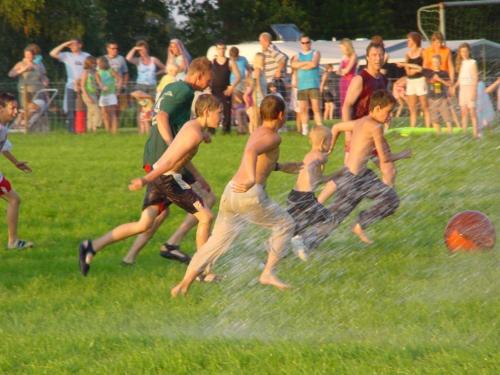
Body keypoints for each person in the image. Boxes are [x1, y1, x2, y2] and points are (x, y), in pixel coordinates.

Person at [170, 95, 302, 297]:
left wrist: (281, 167)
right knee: (285, 224)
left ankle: (184, 284)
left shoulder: (258, 131)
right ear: (282, 115)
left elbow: (259, 158)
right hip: (249, 194)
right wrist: (250, 179)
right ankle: (268, 272)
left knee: (215, 243)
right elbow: (251, 151)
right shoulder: (275, 136)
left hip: (231, 192)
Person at [78, 94, 220, 276]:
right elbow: (170, 162)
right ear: (207, 112)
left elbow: (181, 156)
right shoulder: (194, 133)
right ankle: (202, 271)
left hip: (161, 176)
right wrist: (145, 179)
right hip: (168, 179)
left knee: (144, 224)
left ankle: (91, 246)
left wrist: (198, 177)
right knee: (206, 217)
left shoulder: (192, 127)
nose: (222, 116)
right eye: (219, 112)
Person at [121, 57, 216, 265]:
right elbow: (163, 116)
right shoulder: (185, 91)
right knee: (205, 202)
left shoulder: (175, 87)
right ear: (200, 74)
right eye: (209, 77)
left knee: (156, 215)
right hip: (166, 159)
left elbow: (171, 119)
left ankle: (129, 256)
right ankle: (174, 246)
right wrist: (172, 144)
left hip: (159, 156)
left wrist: (198, 129)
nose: (210, 83)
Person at [318, 90, 401, 245]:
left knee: (390, 198)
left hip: (360, 176)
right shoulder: (376, 127)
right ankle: (304, 240)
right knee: (336, 216)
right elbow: (384, 158)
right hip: (353, 179)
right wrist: (404, 154)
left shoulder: (361, 121)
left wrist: (330, 148)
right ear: (376, 109)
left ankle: (358, 225)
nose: (390, 116)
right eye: (388, 112)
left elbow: (336, 127)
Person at [287, 125, 337, 261]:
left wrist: (341, 172)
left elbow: (321, 179)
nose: (331, 144)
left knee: (294, 227)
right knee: (330, 221)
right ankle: (304, 243)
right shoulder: (318, 156)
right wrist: (324, 157)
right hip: (306, 198)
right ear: (323, 143)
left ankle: (272, 253)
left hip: (294, 196)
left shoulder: (308, 155)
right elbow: (320, 159)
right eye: (330, 141)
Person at [342, 42, 388, 161]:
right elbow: (346, 106)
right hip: (358, 132)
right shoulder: (360, 79)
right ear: (367, 58)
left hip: (375, 132)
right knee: (350, 173)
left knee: (389, 170)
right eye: (374, 55)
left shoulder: (383, 79)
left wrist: (387, 116)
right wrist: (348, 134)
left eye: (380, 55)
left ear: (384, 57)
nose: (378, 58)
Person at [0, 93, 33, 249]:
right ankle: (12, 242)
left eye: (16, 108)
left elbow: (3, 148)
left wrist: (16, 163)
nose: (15, 112)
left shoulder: (3, 126)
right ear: (1, 108)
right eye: (12, 108)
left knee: (15, 199)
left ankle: (13, 241)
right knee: (14, 200)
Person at [49, 39, 90, 132]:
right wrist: (64, 44)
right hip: (71, 85)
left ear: (80, 45)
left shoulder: (86, 56)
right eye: (70, 45)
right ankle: (71, 129)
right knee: (70, 108)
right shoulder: (67, 55)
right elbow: (52, 53)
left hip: (84, 86)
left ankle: (83, 128)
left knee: (84, 107)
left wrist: (81, 82)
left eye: (74, 45)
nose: (72, 47)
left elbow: (90, 68)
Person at [291, 35, 322, 136]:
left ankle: (320, 128)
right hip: (302, 85)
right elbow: (293, 64)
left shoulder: (316, 52)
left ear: (310, 42)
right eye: (303, 43)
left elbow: (314, 64)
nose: (305, 44)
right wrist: (306, 63)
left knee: (316, 108)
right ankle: (305, 130)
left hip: (313, 84)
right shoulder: (297, 55)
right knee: (303, 109)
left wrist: (301, 64)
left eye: (307, 42)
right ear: (300, 44)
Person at [397, 32, 430, 128]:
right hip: (411, 81)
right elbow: (407, 71)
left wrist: (415, 70)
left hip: (421, 80)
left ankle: (428, 127)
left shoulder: (422, 51)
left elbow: (424, 67)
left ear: (415, 41)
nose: (407, 42)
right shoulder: (407, 54)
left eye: (409, 40)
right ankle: (413, 128)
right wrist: (412, 70)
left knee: (424, 106)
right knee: (412, 108)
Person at [211, 41, 241, 134]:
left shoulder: (230, 62)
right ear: (216, 49)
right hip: (214, 89)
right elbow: (208, 75)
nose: (222, 51)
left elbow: (238, 76)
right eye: (219, 48)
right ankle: (211, 130)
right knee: (212, 110)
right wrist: (207, 87)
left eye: (223, 48)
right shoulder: (212, 62)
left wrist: (231, 87)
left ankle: (226, 131)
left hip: (225, 90)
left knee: (227, 111)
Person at [8, 45, 48, 111]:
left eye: (29, 54)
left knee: (38, 110)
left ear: (34, 55)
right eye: (26, 54)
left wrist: (45, 80)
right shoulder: (20, 64)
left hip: (38, 91)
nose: (27, 56)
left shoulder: (38, 64)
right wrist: (23, 69)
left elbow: (43, 76)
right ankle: (21, 121)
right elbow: (11, 74)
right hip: (25, 91)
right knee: (26, 111)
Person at [452, 43, 479, 138]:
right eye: (462, 51)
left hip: (470, 87)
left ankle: (476, 134)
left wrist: (474, 91)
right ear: (460, 52)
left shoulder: (472, 62)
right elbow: (460, 78)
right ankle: (464, 134)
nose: (464, 53)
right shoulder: (460, 63)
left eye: (466, 51)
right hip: (462, 89)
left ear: (469, 52)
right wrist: (454, 87)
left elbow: (475, 78)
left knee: (472, 112)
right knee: (463, 112)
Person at [425, 54, 452, 134]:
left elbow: (449, 84)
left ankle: (450, 134)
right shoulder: (429, 73)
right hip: (432, 98)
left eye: (437, 62)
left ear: (440, 63)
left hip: (442, 98)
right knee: (435, 119)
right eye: (434, 62)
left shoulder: (444, 73)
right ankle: (438, 135)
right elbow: (426, 82)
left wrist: (440, 79)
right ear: (432, 63)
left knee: (447, 118)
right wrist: (431, 80)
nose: (435, 63)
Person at [96, 56, 122, 134]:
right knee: (104, 113)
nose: (98, 65)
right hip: (103, 94)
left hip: (111, 94)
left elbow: (119, 79)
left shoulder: (111, 71)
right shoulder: (98, 72)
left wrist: (118, 89)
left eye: (99, 63)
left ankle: (114, 131)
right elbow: (99, 82)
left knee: (112, 112)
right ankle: (108, 130)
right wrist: (102, 87)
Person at [104, 41, 129, 119]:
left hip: (118, 87)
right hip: (107, 88)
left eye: (116, 48)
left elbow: (126, 73)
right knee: (106, 108)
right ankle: (108, 128)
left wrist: (124, 85)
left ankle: (116, 128)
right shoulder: (104, 59)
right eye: (113, 48)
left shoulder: (121, 58)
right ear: (108, 49)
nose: (115, 50)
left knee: (117, 109)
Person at [259, 32, 287, 97]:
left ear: (265, 40)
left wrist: (278, 70)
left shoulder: (270, 48)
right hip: (272, 81)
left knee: (275, 101)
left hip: (273, 82)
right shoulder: (268, 49)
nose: (260, 43)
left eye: (260, 40)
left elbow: (283, 58)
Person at [80, 56, 102, 132]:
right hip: (87, 94)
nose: (95, 65)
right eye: (93, 63)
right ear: (89, 64)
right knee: (97, 111)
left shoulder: (94, 73)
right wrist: (87, 97)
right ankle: (97, 125)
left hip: (93, 94)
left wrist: (97, 90)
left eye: (95, 63)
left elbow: (96, 83)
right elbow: (82, 86)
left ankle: (91, 129)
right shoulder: (85, 72)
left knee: (91, 112)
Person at [246, 53, 266, 134]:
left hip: (260, 95)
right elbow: (257, 85)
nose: (265, 61)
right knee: (256, 117)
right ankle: (254, 133)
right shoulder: (257, 70)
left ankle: (257, 133)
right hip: (258, 97)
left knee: (259, 117)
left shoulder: (261, 71)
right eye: (263, 60)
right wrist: (262, 96)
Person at [337, 38, 358, 108]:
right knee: (343, 102)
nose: (341, 49)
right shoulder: (343, 57)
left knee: (351, 101)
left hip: (351, 81)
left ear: (346, 46)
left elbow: (347, 70)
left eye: (342, 47)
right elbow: (338, 71)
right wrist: (343, 71)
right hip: (343, 81)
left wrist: (342, 71)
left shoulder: (353, 55)